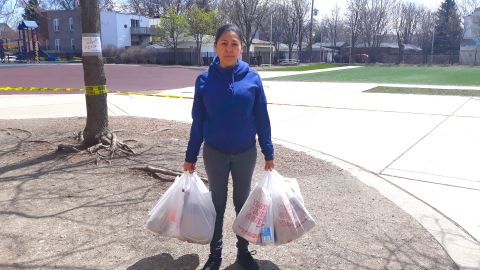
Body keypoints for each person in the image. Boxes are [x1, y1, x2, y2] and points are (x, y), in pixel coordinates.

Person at [183, 24, 274, 270]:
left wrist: (268, 151)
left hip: (245, 152)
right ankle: (216, 254)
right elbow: (198, 121)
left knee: (242, 203)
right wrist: (190, 156)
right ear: (215, 47)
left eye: (234, 44)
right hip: (215, 153)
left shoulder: (253, 79)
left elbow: (262, 118)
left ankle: (243, 252)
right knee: (217, 204)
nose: (229, 49)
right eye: (224, 43)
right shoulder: (204, 80)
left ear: (242, 48)